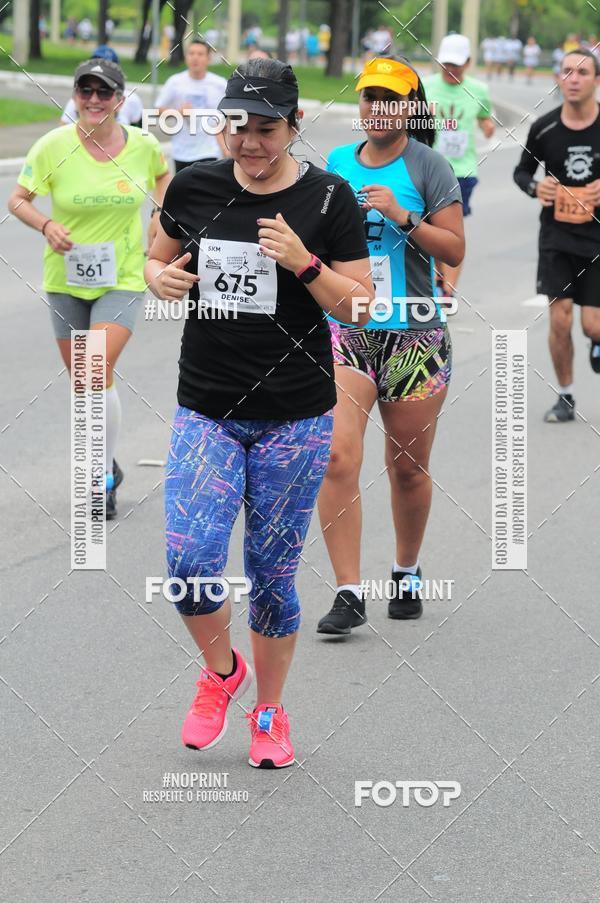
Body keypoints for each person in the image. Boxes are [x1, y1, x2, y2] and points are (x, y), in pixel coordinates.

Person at [144, 58, 374, 767]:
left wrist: (305, 263)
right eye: (236, 124)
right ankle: (222, 672)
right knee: (187, 562)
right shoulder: (195, 184)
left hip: (294, 415)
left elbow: (361, 305)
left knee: (272, 575)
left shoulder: (329, 199)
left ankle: (269, 712)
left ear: (293, 127)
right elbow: (154, 262)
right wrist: (166, 278)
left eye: (266, 128)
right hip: (208, 405)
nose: (248, 140)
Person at [316, 56, 464, 635]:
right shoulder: (335, 163)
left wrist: (402, 216)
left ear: (410, 107)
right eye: (369, 97)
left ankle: (405, 569)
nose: (377, 108)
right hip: (348, 332)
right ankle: (349, 592)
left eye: (390, 98)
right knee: (335, 456)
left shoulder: (430, 167)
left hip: (414, 337)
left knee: (407, 468)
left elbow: (452, 249)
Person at [8, 59, 171, 518]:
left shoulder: (142, 145)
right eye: (86, 91)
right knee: (86, 383)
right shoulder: (51, 146)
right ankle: (111, 465)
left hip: (122, 276)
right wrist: (46, 225)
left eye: (105, 92)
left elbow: (162, 175)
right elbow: (17, 199)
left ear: (121, 99)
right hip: (66, 279)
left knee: (94, 368)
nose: (95, 100)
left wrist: (159, 214)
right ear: (76, 96)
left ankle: (99, 478)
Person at [514, 48, 600, 422]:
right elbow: (521, 173)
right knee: (561, 319)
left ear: (596, 81)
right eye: (567, 71)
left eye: (582, 72)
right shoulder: (544, 127)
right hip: (556, 238)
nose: (574, 79)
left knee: (592, 323)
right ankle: (565, 396)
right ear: (558, 78)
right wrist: (538, 189)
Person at [423, 34, 494, 296]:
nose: (450, 70)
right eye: (446, 64)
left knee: (452, 232)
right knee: (432, 232)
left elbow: (485, 118)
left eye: (456, 64)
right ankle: (440, 281)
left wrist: (488, 128)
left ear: (468, 62)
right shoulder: (425, 86)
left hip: (462, 171)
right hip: (428, 170)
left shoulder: (479, 90)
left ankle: (447, 291)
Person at [156, 39, 227, 172]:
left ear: (208, 58)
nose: (195, 58)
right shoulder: (175, 82)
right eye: (191, 53)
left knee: (205, 190)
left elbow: (229, 114)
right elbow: (158, 109)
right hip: (182, 150)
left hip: (209, 150)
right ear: (186, 57)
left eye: (200, 54)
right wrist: (178, 112)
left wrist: (225, 147)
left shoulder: (220, 84)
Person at [60, 47, 144, 128]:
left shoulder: (132, 99)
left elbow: (141, 129)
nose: (94, 100)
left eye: (105, 92)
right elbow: (63, 126)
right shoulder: (80, 99)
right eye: (95, 62)